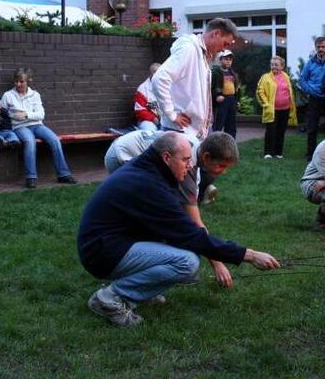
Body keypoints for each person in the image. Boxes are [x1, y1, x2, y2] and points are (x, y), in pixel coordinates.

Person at [77, 131, 280, 326]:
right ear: (167, 157)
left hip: (113, 242)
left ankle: (142, 291)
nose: (190, 165)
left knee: (182, 251)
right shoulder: (149, 184)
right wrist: (249, 255)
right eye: (185, 160)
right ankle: (109, 299)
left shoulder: (151, 170)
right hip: (101, 253)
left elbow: (179, 231)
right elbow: (192, 235)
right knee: (187, 262)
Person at [104, 129, 240, 287]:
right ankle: (136, 272)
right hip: (121, 154)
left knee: (169, 215)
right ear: (206, 157)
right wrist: (218, 264)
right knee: (152, 216)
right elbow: (195, 223)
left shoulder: (191, 157)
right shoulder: (187, 165)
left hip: (128, 145)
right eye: (221, 166)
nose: (224, 172)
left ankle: (170, 265)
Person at [152, 18, 238, 141]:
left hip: (192, 131)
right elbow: (160, 79)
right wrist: (171, 114)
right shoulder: (189, 49)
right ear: (216, 34)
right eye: (225, 44)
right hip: (181, 131)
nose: (224, 49)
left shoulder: (202, 53)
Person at [1, 68, 77, 189]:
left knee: (55, 140)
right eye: (16, 81)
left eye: (21, 81)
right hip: (20, 127)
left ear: (28, 81)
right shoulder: (8, 95)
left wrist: (26, 115)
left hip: (37, 125)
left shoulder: (35, 95)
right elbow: (3, 114)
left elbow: (41, 115)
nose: (18, 84)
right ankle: (31, 177)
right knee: (30, 141)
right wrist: (14, 116)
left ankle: (63, 174)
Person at [299, 36, 325, 160]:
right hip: (314, 99)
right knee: (312, 127)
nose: (320, 49)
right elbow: (302, 79)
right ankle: (311, 154)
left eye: (323, 47)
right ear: (315, 47)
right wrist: (310, 90)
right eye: (318, 47)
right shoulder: (310, 63)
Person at [256, 56, 297, 159]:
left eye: (276, 65)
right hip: (272, 110)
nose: (273, 66)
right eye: (272, 64)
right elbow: (259, 91)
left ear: (282, 66)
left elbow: (289, 91)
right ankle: (268, 153)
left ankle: (279, 153)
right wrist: (266, 104)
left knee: (281, 131)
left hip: (285, 109)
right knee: (271, 131)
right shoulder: (265, 77)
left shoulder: (286, 76)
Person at [212, 50, 239, 138]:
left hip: (231, 100)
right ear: (220, 60)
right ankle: (215, 143)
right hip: (221, 101)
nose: (228, 61)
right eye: (226, 59)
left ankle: (230, 143)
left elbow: (237, 88)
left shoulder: (233, 73)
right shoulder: (215, 72)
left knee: (231, 125)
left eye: (230, 59)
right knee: (218, 124)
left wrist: (236, 100)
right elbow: (210, 87)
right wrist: (216, 96)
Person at [134, 63, 162, 131]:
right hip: (148, 120)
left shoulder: (167, 85)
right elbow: (140, 110)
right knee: (150, 130)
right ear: (151, 73)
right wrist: (153, 118)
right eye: (155, 72)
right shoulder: (142, 88)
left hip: (165, 119)